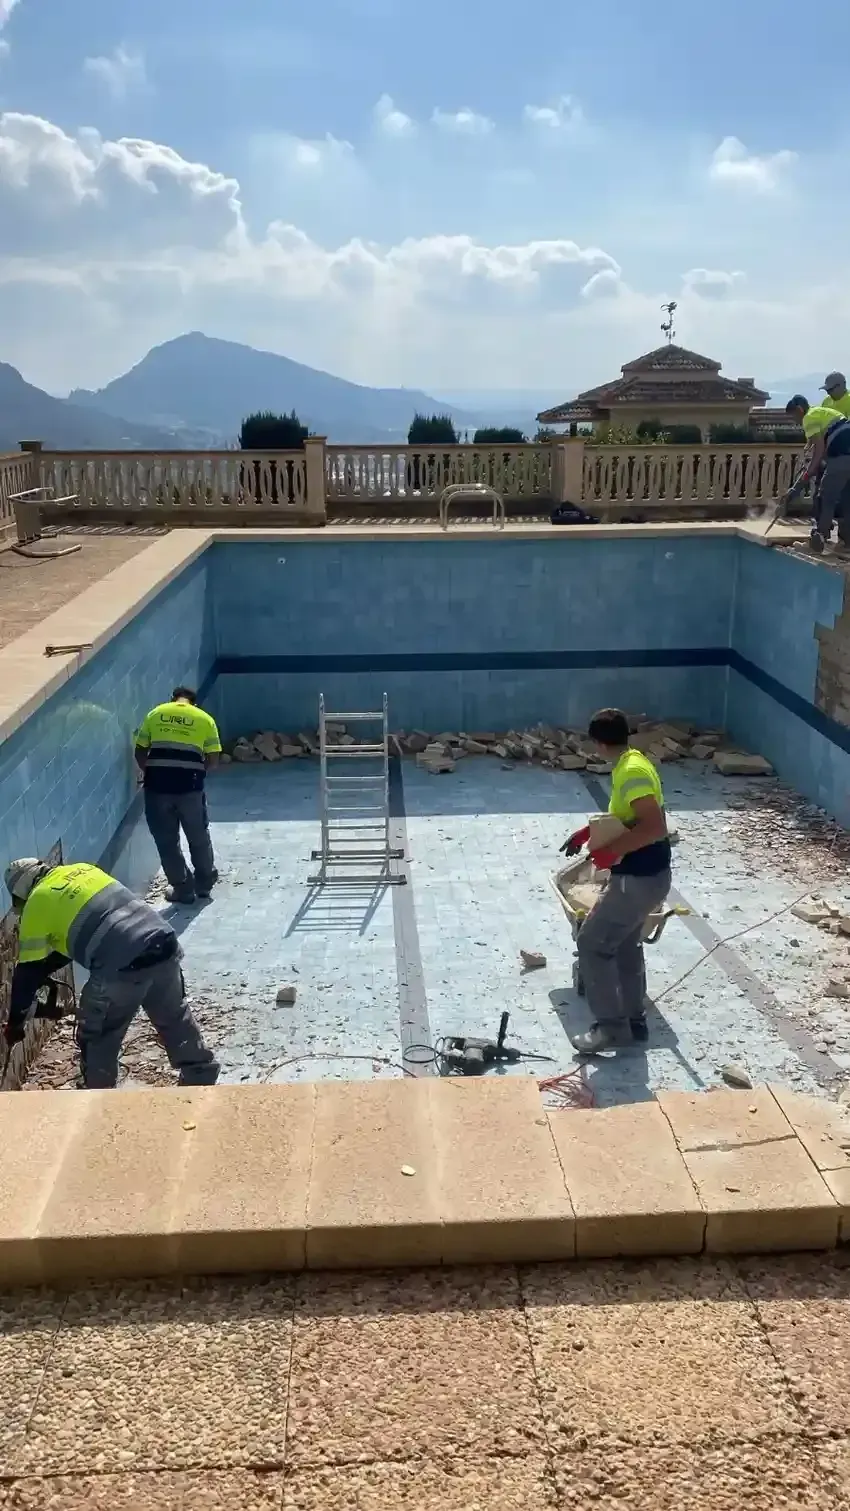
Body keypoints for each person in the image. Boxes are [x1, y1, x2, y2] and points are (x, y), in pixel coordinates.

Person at [3, 857, 220, 1089]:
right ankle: (200, 1077)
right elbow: (92, 929)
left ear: (22, 891)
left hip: (121, 965)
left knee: (99, 1035)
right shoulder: (81, 870)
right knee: (174, 1017)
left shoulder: (37, 900)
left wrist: (15, 1023)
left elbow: (27, 972)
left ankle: (99, 1097)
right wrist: (45, 969)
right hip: (162, 942)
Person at [561, 709, 672, 1053]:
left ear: (597, 743)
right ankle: (633, 1019)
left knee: (593, 943)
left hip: (637, 878)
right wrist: (588, 832)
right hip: (648, 877)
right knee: (625, 942)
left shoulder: (631, 772)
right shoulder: (633, 761)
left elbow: (654, 827)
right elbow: (626, 818)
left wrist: (609, 854)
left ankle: (610, 1028)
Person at [135, 686, 222, 905]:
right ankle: (204, 884)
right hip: (190, 789)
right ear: (194, 703)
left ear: (173, 699)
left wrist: (151, 772)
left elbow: (140, 750)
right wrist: (195, 771)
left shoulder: (156, 713)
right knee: (198, 836)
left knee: (167, 842)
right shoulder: (205, 719)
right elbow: (213, 760)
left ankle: (183, 889)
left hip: (157, 789)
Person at [781, 396, 850, 554]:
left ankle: (818, 541)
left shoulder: (809, 418)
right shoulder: (822, 412)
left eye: (794, 417)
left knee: (825, 497)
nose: (796, 422)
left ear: (799, 410)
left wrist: (803, 480)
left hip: (841, 457)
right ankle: (847, 544)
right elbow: (822, 442)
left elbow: (818, 454)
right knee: (847, 499)